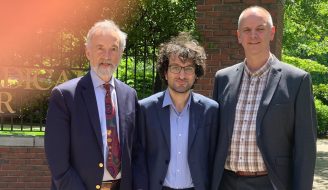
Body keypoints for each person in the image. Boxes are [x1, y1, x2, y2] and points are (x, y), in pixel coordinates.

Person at [211, 6, 317, 190]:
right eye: (247, 30)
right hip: (225, 182)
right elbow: (213, 135)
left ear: (272, 32)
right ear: (239, 36)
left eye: (260, 29)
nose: (253, 35)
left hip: (271, 183)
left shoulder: (297, 80)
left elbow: (305, 148)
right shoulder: (223, 78)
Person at [45, 20, 138, 190]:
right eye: (100, 48)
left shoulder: (129, 95)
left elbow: (136, 150)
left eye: (113, 49)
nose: (107, 56)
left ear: (121, 54)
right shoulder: (65, 96)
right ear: (88, 52)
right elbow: (57, 161)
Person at [133, 32, 219, 190]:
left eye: (188, 69)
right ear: (165, 73)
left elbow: (214, 158)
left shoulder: (210, 110)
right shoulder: (145, 109)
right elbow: (138, 158)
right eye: (175, 68)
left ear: (195, 74)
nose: (181, 75)